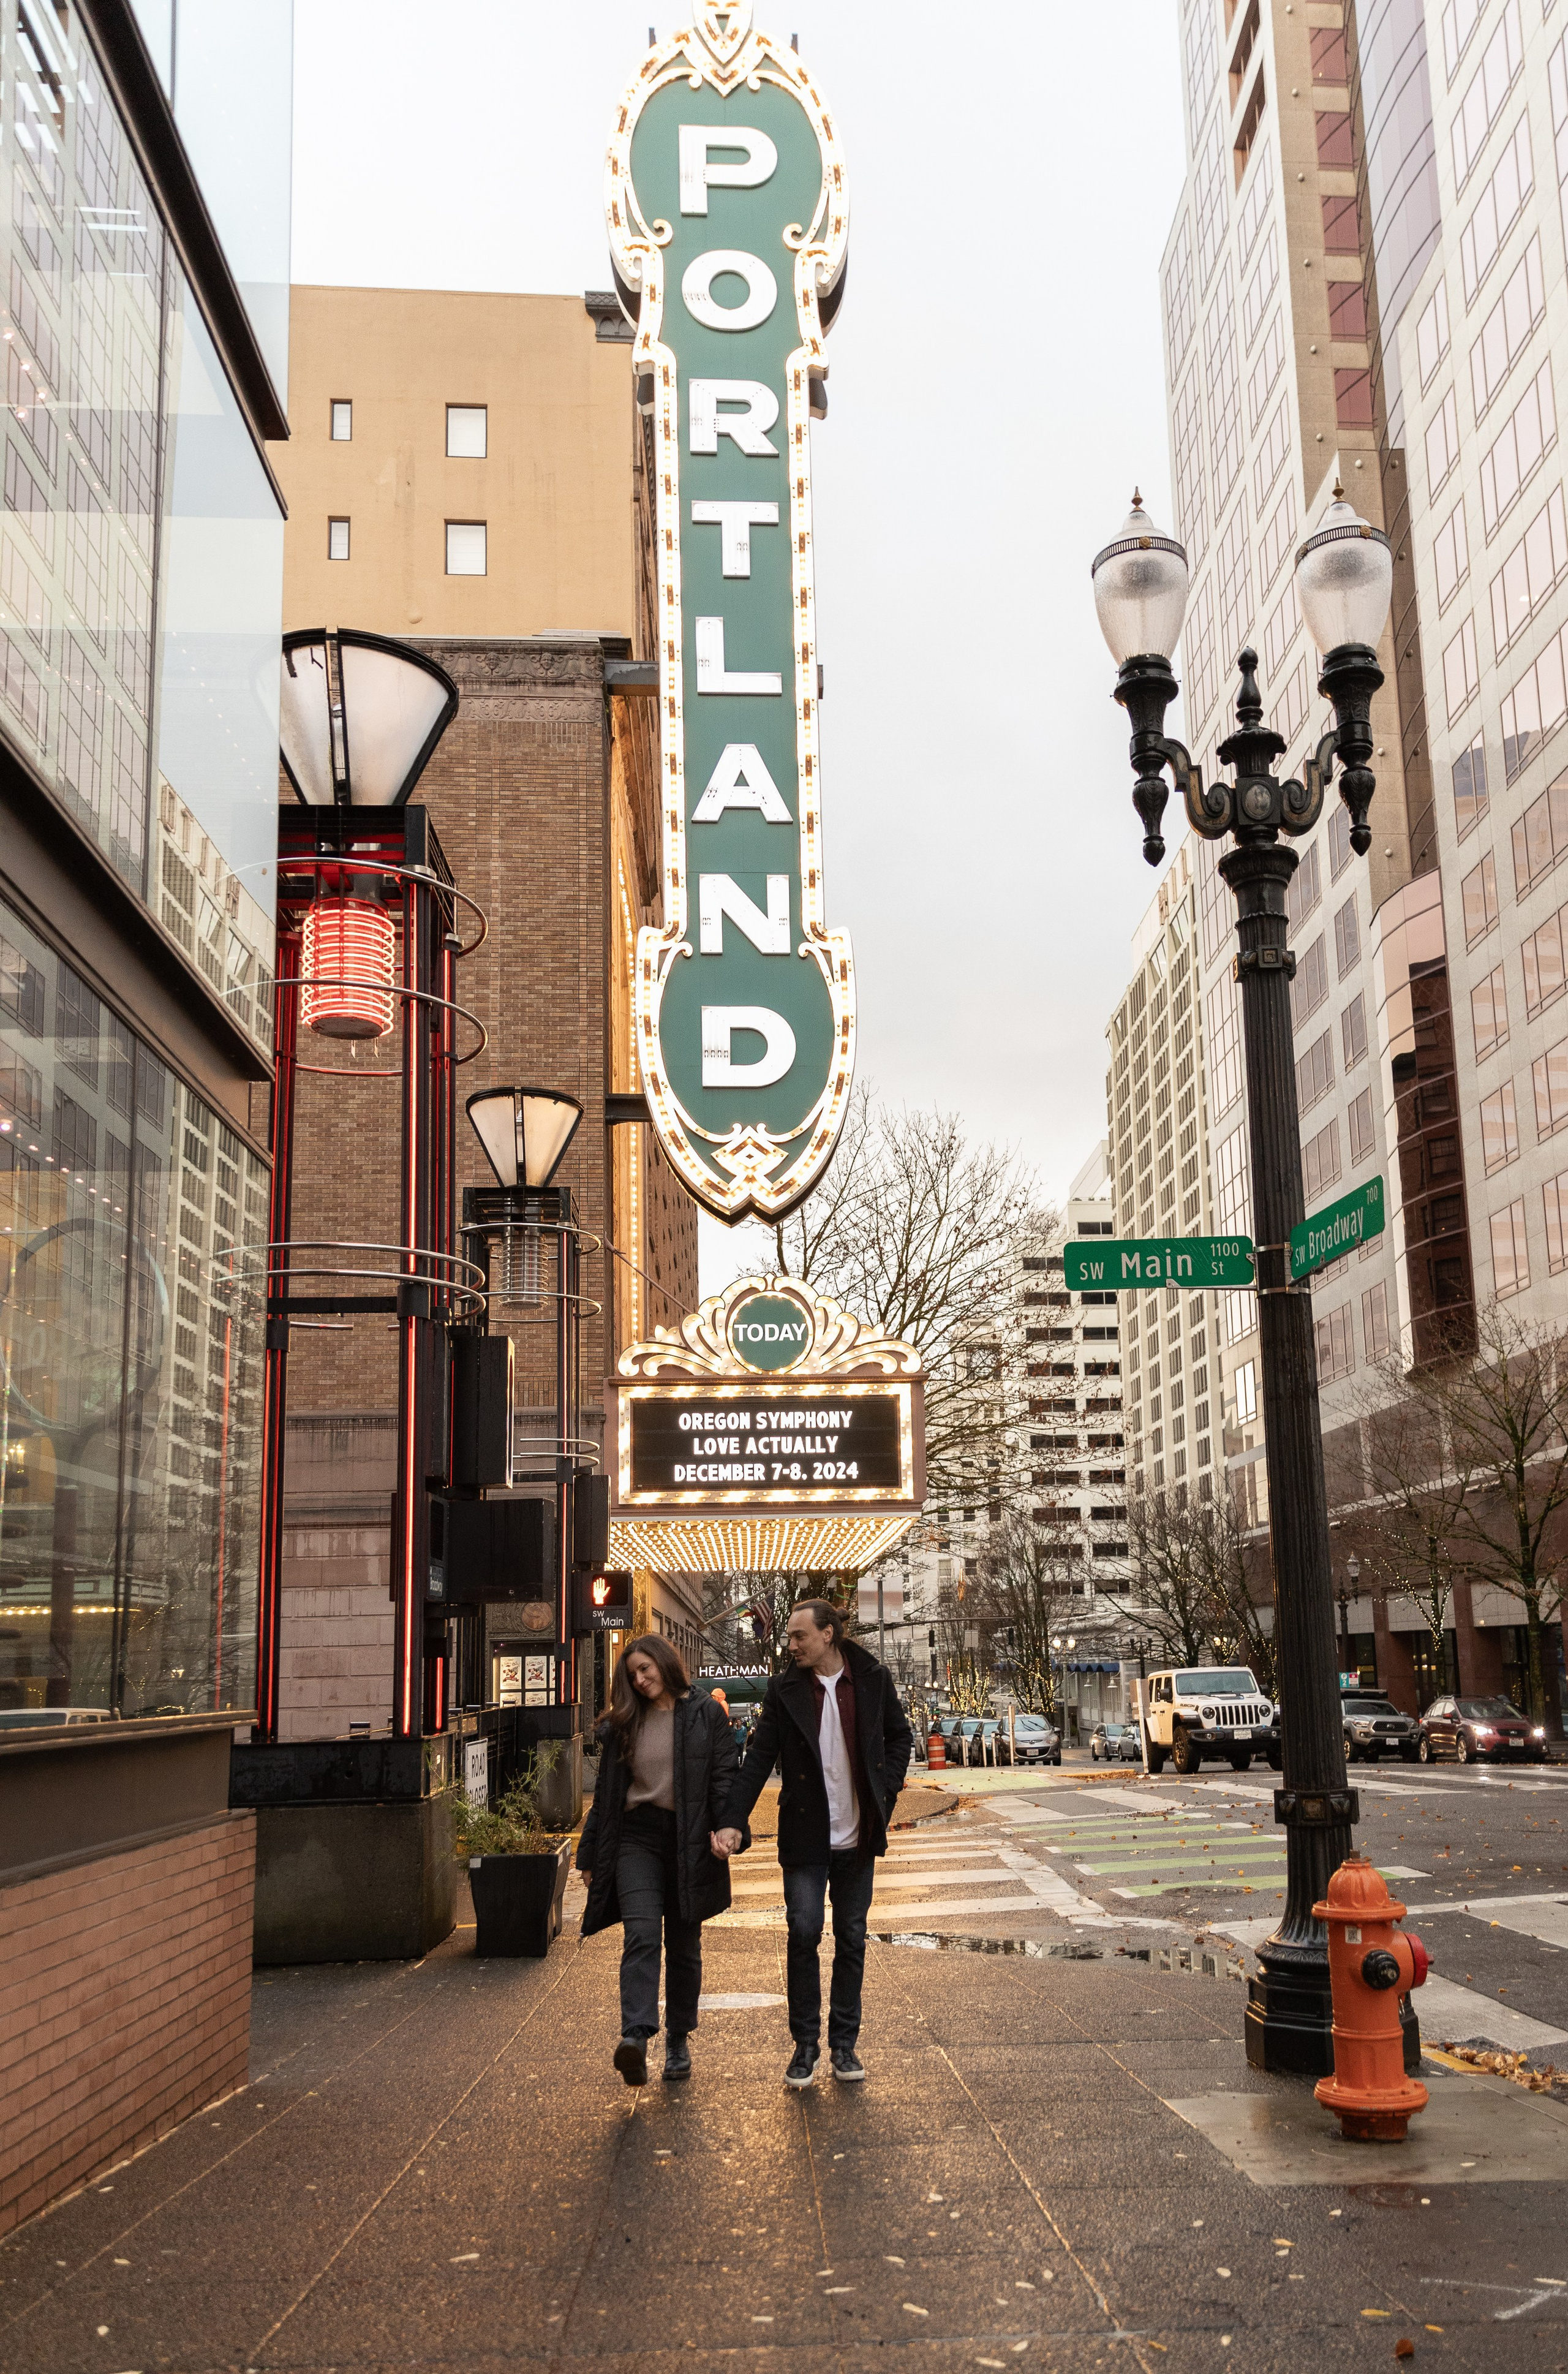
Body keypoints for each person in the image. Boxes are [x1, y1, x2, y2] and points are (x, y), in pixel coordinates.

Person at [714, 1600, 912, 2090]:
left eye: (800, 1636)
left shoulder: (872, 1678)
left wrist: (885, 1793)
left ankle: (844, 2044)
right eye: (789, 1637)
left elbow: (899, 1737)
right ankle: (805, 2045)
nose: (791, 1645)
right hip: (805, 1837)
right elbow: (760, 1756)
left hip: (857, 1836)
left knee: (851, 1937)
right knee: (803, 1932)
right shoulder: (784, 1690)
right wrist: (733, 1819)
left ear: (828, 1634)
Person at [576, 1634, 747, 2087]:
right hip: (637, 1838)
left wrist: (729, 1828)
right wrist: (589, 1852)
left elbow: (724, 1777)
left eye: (646, 1668)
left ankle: (678, 2037)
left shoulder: (704, 1713)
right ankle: (635, 2036)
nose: (640, 1678)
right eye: (632, 1673)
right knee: (642, 1932)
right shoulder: (622, 1723)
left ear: (665, 1663)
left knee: (685, 1945)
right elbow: (606, 1798)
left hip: (689, 1838)